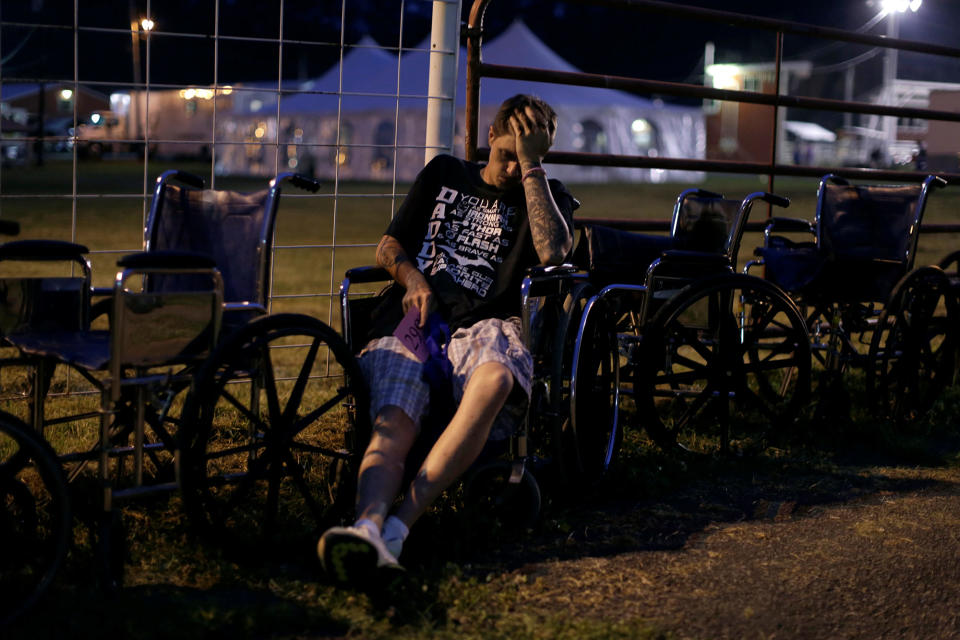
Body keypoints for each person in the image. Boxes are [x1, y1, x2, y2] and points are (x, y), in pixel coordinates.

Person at [317, 94, 577, 583]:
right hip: (416, 318)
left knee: (496, 376)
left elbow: (554, 252)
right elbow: (388, 245)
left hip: (487, 323)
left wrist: (531, 167)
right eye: (508, 150)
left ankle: (397, 529)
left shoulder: (545, 191)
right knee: (395, 415)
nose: (511, 164)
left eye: (529, 149)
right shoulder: (444, 173)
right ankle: (367, 527)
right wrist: (413, 279)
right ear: (490, 136)